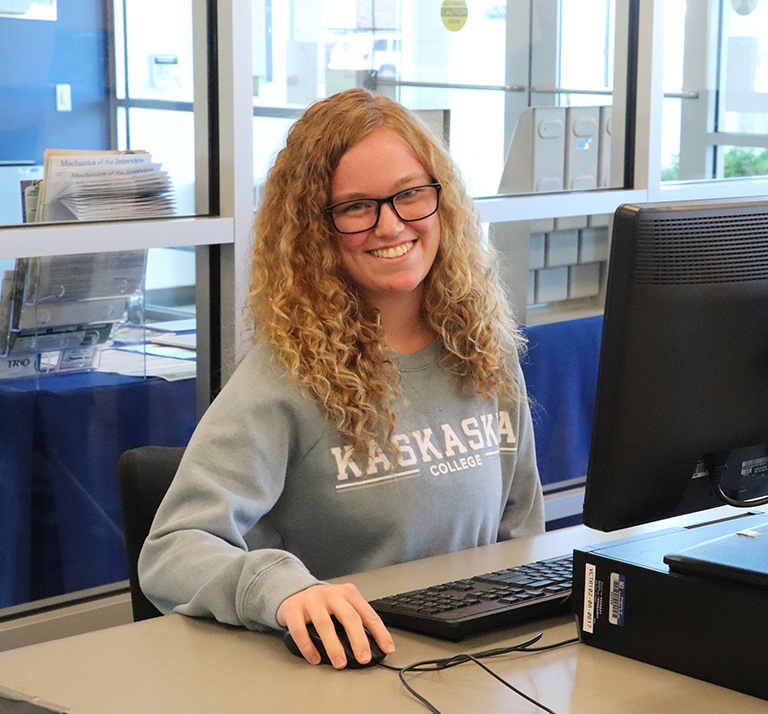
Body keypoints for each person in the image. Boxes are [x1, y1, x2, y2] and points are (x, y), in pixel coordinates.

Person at [138, 87, 544, 670]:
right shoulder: (283, 379)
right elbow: (171, 551)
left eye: (410, 194)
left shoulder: (483, 350)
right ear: (313, 233)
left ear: (441, 200)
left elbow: (519, 530)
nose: (391, 225)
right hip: (343, 670)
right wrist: (285, 590)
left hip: (473, 662)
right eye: (355, 207)